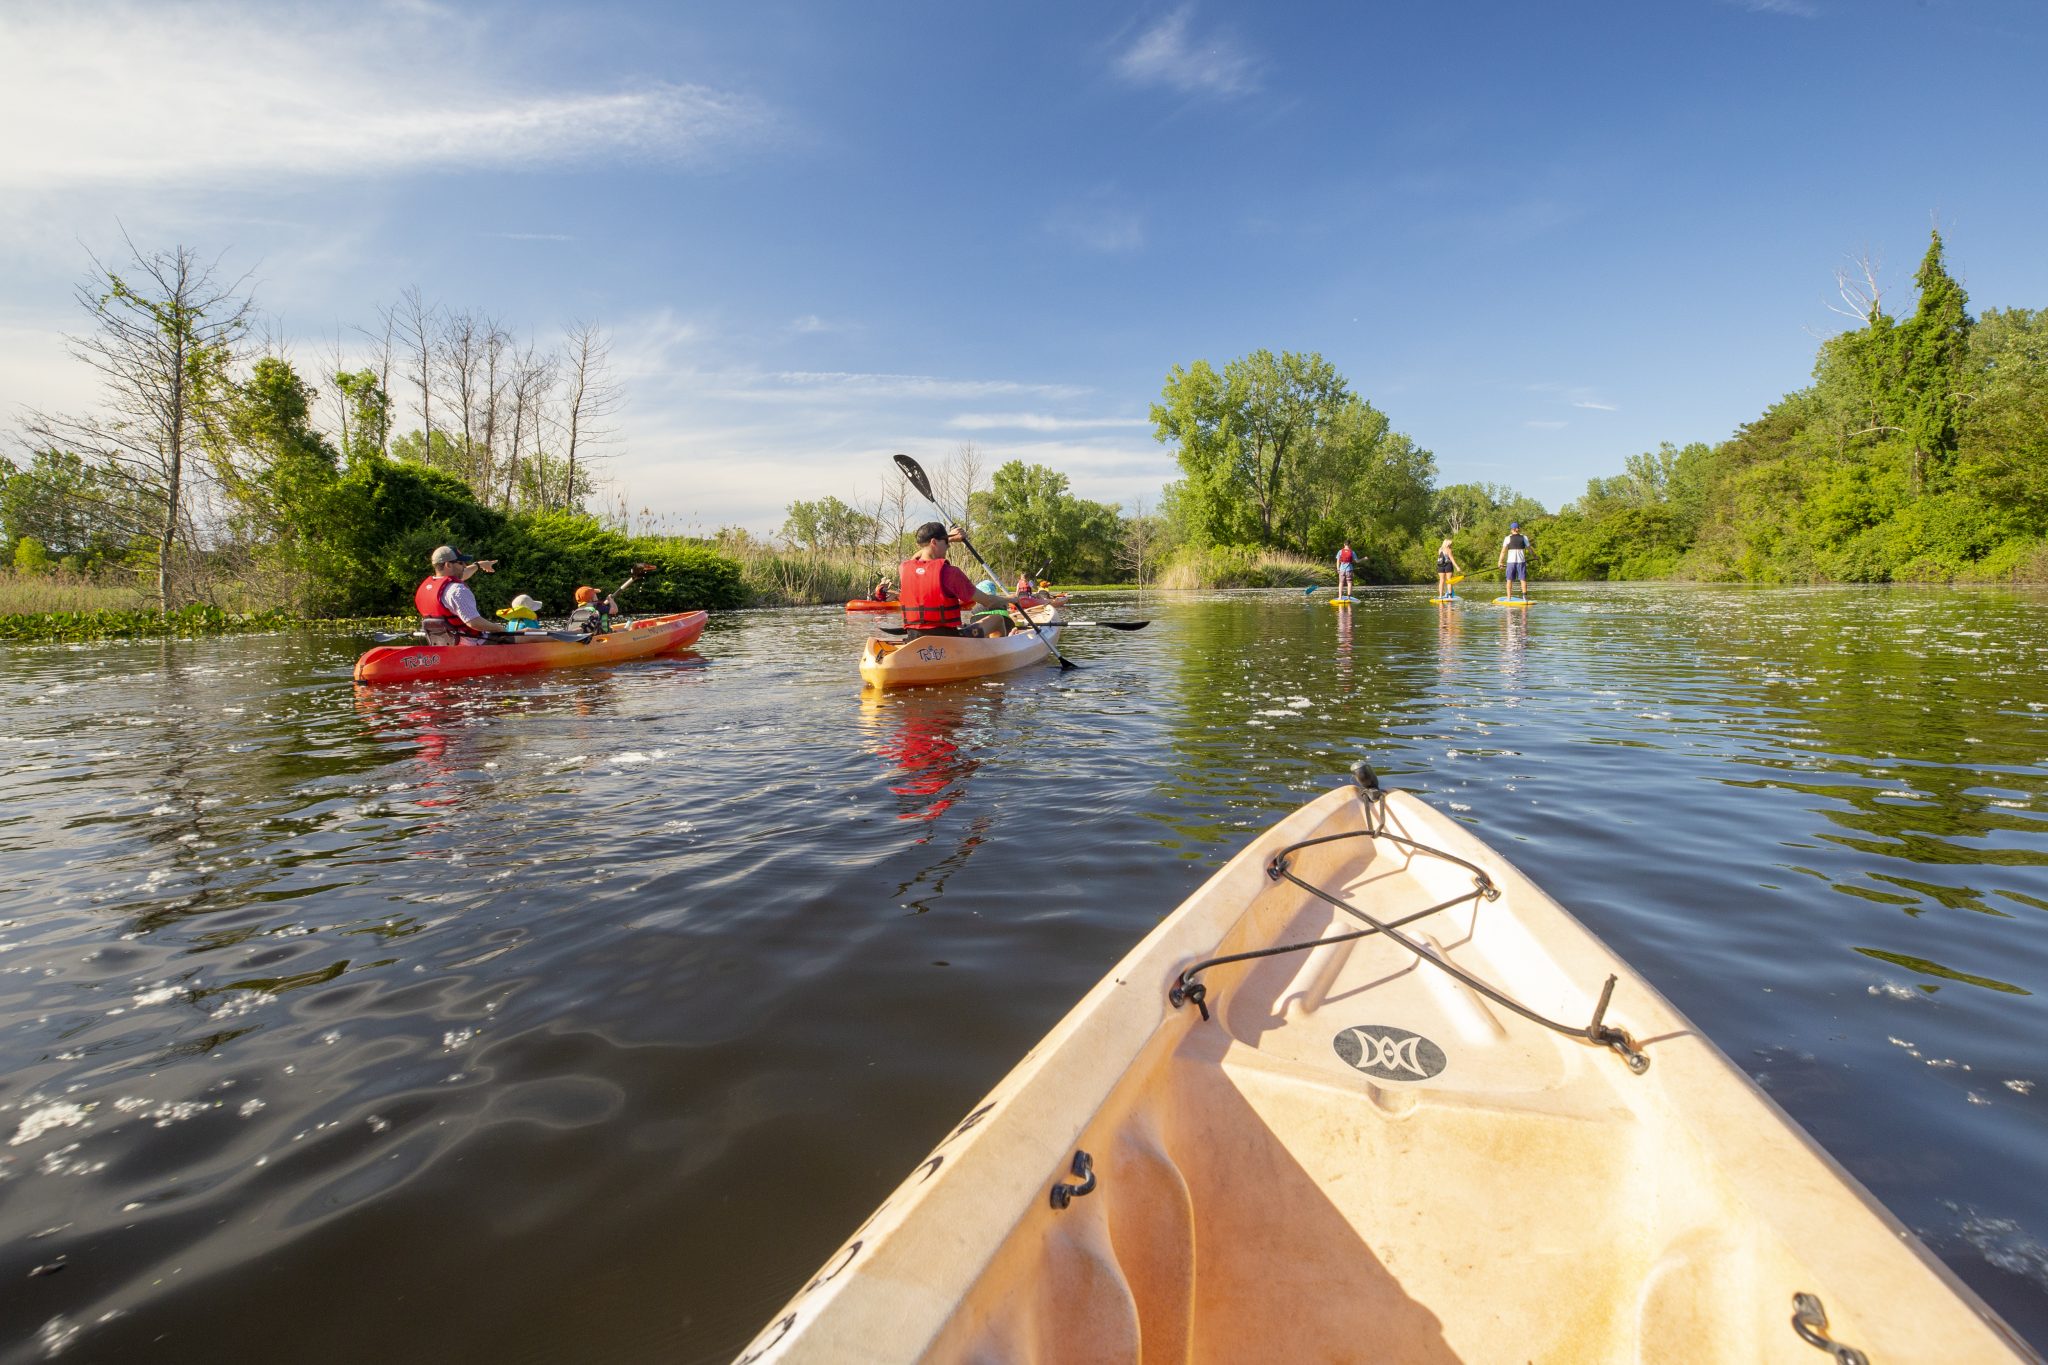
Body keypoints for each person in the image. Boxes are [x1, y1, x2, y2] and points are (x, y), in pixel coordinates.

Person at [899, 522, 1014, 638]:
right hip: (948, 641)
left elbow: (916, 557)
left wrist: (948, 537)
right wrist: (1011, 599)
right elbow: (988, 601)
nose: (948, 546)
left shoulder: (903, 568)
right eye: (946, 542)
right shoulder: (951, 573)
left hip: (914, 638)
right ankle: (994, 653)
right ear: (934, 542)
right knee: (997, 619)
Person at [415, 545, 512, 644]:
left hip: (446, 645)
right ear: (448, 565)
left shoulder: (428, 588)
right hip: (473, 643)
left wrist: (479, 565)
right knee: (526, 635)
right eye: (460, 563)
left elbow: (464, 573)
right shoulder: (457, 590)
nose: (465, 566)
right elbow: (474, 622)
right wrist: (500, 628)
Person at [568, 564, 655, 635]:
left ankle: (569, 634)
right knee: (624, 631)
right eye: (595, 594)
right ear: (591, 598)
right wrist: (611, 600)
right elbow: (614, 610)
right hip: (602, 635)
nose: (597, 596)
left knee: (611, 627)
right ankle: (628, 628)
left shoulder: (580, 609)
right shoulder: (598, 606)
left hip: (589, 634)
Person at [1497, 521, 1533, 602]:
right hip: (1521, 562)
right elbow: (1529, 549)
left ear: (1512, 529)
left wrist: (1500, 562)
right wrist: (1535, 556)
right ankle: (1525, 598)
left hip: (1511, 562)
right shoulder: (1524, 537)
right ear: (1518, 529)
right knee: (1523, 579)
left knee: (1509, 580)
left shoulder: (1507, 538)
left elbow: (1503, 551)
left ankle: (1509, 598)